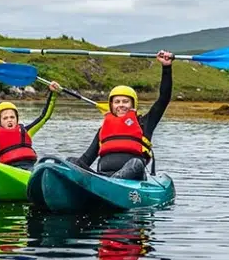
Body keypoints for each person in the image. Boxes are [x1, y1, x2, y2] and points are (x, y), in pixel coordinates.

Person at [73, 50, 174, 180]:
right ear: (111, 105)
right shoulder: (103, 130)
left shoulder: (144, 123)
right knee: (72, 161)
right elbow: (87, 158)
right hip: (103, 177)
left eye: (125, 102)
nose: (121, 105)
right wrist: (71, 167)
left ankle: (113, 182)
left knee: (136, 163)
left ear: (133, 105)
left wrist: (166, 67)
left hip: (132, 178)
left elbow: (163, 99)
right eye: (117, 102)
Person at [0, 80, 61, 170]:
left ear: (17, 119)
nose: (9, 120)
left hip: (29, 168)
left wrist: (53, 94)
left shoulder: (26, 131)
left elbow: (44, 117)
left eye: (12, 117)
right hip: (8, 170)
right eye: (5, 118)